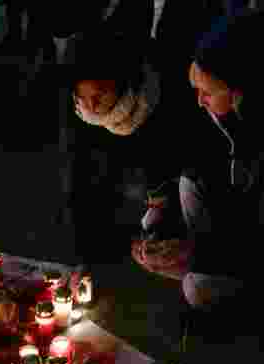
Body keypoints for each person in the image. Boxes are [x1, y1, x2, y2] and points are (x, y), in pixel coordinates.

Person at [133, 10, 264, 313]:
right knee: (189, 184)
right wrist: (165, 225)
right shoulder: (223, 118)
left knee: (196, 288)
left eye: (208, 92)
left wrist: (195, 254)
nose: (199, 101)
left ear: (242, 91)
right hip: (231, 234)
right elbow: (202, 174)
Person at [62, 0, 225, 265]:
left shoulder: (161, 96)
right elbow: (81, 190)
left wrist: (161, 222)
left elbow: (176, 168)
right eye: (84, 97)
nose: (92, 106)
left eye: (100, 94)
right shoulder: (83, 116)